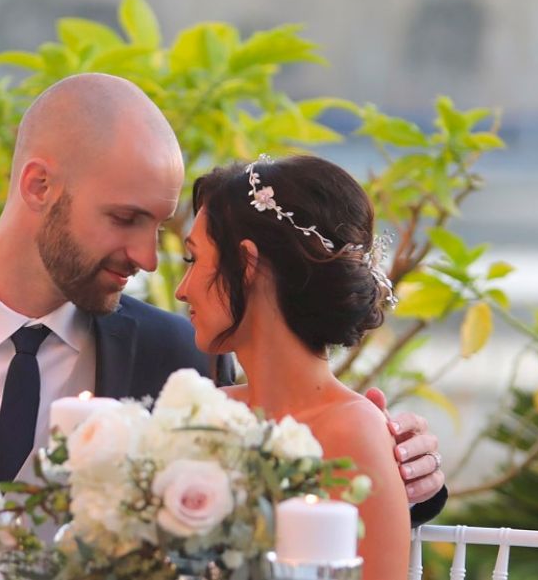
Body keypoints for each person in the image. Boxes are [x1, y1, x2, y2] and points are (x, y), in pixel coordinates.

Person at [0, 73, 448, 523]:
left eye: (160, 230)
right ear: (39, 185)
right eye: (126, 218)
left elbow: (302, 481)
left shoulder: (184, 361)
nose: (147, 258)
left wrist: (411, 474)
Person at [175, 153, 413, 575]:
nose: (181, 290)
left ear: (246, 265)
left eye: (193, 260)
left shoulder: (352, 431)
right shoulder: (204, 414)